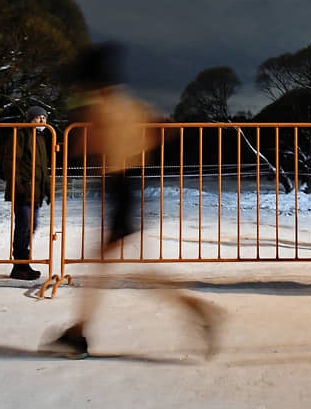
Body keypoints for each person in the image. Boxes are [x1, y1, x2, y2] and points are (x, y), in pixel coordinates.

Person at [42, 42, 221, 359]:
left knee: (108, 267)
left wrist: (81, 144)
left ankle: (78, 334)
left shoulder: (100, 105)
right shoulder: (128, 103)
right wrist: (137, 145)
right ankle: (79, 332)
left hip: (117, 187)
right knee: (119, 268)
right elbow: (164, 128)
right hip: (128, 185)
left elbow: (84, 144)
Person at [1, 105, 51, 280]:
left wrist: (47, 188)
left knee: (31, 227)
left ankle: (23, 263)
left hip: (35, 192)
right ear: (30, 119)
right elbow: (10, 161)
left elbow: (42, 168)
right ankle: (20, 266)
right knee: (24, 227)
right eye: (38, 118)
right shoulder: (20, 134)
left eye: (44, 118)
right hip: (23, 190)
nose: (42, 121)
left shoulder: (41, 139)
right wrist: (17, 186)